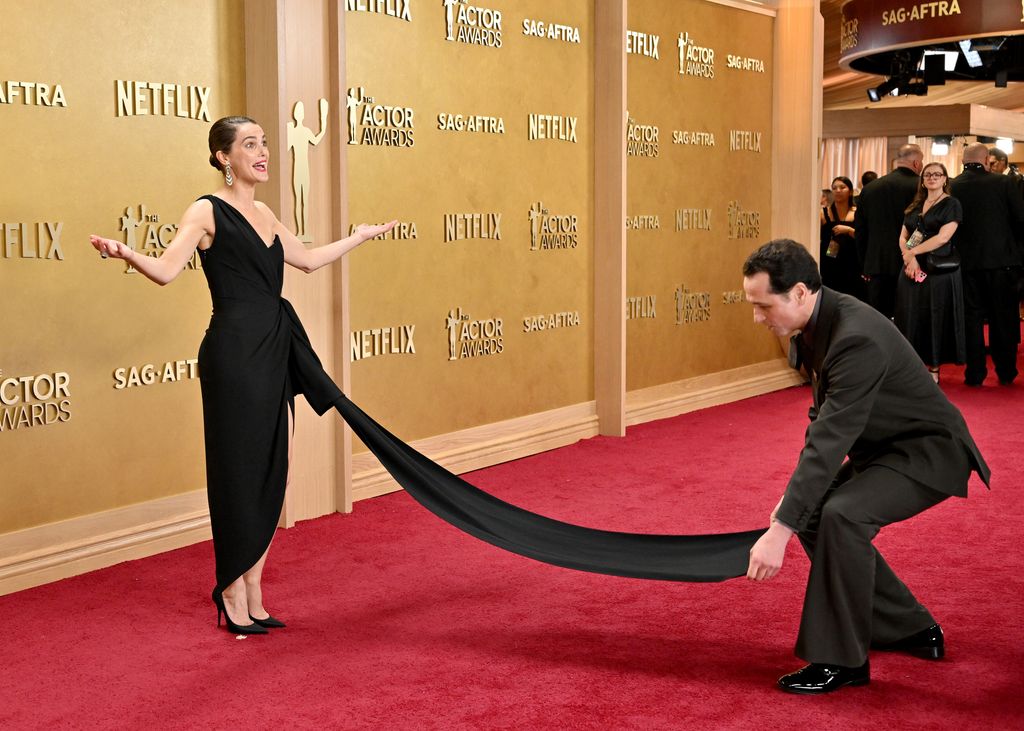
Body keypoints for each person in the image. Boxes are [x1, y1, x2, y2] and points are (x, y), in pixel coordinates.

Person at [90, 116, 396, 635]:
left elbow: (308, 261)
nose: (263, 152)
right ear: (222, 157)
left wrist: (358, 238)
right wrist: (125, 252)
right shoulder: (206, 211)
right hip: (234, 354)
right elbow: (167, 271)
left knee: (276, 466)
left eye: (264, 143)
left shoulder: (266, 212)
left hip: (274, 346)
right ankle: (231, 587)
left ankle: (254, 587)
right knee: (239, 469)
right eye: (249, 144)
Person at [743, 239, 989, 695]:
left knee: (842, 514)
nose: (757, 317)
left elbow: (830, 441)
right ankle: (910, 628)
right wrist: (795, 505)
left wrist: (779, 530)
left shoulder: (855, 335)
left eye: (762, 305)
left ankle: (841, 661)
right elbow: (823, 426)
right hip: (885, 448)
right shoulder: (825, 316)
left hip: (928, 453)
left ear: (798, 292)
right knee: (816, 513)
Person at [952, 143, 1024, 386]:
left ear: (963, 160)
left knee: (971, 319)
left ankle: (975, 372)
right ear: (986, 159)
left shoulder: (952, 186)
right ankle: (1005, 371)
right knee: (1002, 317)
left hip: (965, 264)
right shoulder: (1003, 183)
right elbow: (1020, 220)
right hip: (1002, 262)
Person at [893, 162, 966, 382]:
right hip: (911, 269)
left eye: (937, 174)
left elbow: (943, 237)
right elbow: (903, 236)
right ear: (922, 180)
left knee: (934, 316)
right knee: (909, 315)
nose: (932, 177)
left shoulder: (952, 204)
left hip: (938, 272)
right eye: (928, 174)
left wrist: (911, 253)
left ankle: (934, 368)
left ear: (945, 179)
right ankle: (910, 367)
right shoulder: (915, 205)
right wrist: (910, 258)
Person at [854, 145, 923, 318]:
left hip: (877, 264)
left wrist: (865, 264)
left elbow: (861, 231)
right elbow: (923, 227)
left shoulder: (870, 189)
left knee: (879, 319)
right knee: (909, 317)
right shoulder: (920, 188)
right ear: (916, 163)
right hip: (912, 263)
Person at [819, 176, 864, 299]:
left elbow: (864, 237)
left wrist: (848, 230)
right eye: (834, 188)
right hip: (829, 262)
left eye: (842, 187)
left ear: (850, 191)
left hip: (852, 262)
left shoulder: (858, 213)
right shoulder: (823, 213)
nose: (838, 190)